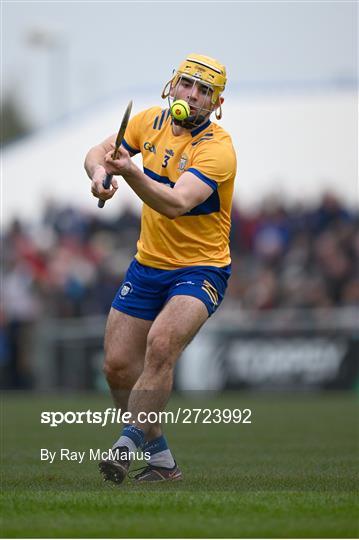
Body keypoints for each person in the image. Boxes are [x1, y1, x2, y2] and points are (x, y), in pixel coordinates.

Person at [84, 53, 237, 484]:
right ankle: (163, 464)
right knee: (115, 367)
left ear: (216, 102)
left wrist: (128, 171)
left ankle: (126, 443)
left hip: (201, 269)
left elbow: (174, 203)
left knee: (162, 343)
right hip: (147, 264)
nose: (192, 95)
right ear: (172, 85)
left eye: (203, 90)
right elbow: (98, 151)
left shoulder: (217, 149)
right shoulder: (148, 121)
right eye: (187, 84)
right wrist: (99, 173)